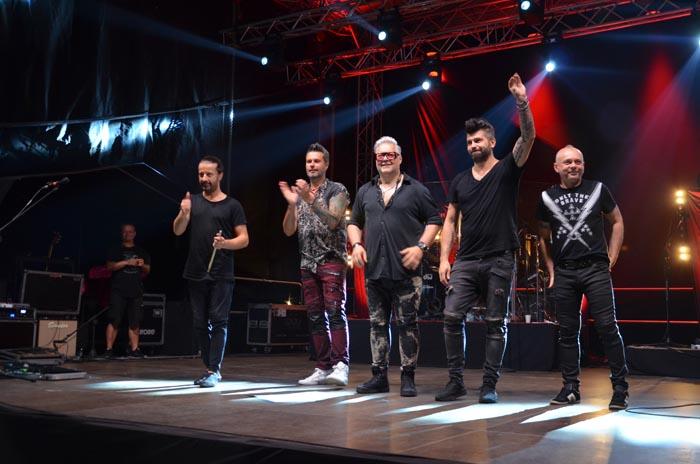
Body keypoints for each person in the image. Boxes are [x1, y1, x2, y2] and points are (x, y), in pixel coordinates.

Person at [436, 73, 535, 403]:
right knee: (451, 316)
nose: (473, 146)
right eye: (469, 142)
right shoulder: (460, 180)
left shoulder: (507, 169)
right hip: (466, 260)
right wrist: (444, 259)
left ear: (492, 142)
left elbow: (528, 137)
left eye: (478, 140)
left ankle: (489, 385)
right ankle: (456, 382)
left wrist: (522, 102)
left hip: (499, 258)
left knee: (495, 322)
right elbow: (450, 220)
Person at [537, 144, 629, 410]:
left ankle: (620, 389)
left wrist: (612, 257)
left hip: (595, 269)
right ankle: (570, 388)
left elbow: (618, 221)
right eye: (567, 162)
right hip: (565, 271)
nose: (573, 166)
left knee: (607, 327)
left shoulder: (598, 189)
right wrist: (551, 269)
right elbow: (543, 236)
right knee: (567, 332)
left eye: (577, 161)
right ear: (557, 167)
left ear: (584, 165)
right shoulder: (546, 197)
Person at [348, 136, 442, 397]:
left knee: (407, 325)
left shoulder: (416, 190)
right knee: (377, 325)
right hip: (375, 271)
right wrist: (356, 244)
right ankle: (379, 377)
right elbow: (354, 222)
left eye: (390, 154)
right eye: (381, 155)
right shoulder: (365, 191)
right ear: (376, 159)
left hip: (406, 272)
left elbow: (434, 220)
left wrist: (420, 247)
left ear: (399, 158)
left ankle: (407, 377)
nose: (385, 159)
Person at [173, 155, 249, 388]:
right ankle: (210, 367)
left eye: (209, 174)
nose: (204, 178)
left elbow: (244, 239)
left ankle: (213, 370)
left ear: (220, 175)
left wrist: (225, 243)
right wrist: (184, 213)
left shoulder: (232, 205)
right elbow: (178, 230)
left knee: (218, 321)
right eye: (200, 174)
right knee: (199, 323)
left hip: (221, 273)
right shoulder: (193, 201)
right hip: (195, 271)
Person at [279, 143, 351, 386]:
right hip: (307, 262)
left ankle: (341, 365)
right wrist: (293, 203)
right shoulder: (300, 195)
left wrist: (309, 199)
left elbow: (333, 221)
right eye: (308, 161)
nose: (311, 165)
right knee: (315, 316)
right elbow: (288, 230)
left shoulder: (337, 190)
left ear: (326, 164)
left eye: (316, 161)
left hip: (331, 260)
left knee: (335, 312)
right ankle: (323, 366)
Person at [104, 223, 150, 358]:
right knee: (114, 320)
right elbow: (109, 267)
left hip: (136, 291)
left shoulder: (141, 251)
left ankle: (134, 349)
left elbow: (148, 270)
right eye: (125, 232)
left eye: (130, 232)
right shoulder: (115, 250)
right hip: (118, 290)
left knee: (135, 321)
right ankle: (108, 349)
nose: (127, 234)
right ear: (121, 233)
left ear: (134, 234)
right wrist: (126, 262)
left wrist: (142, 265)